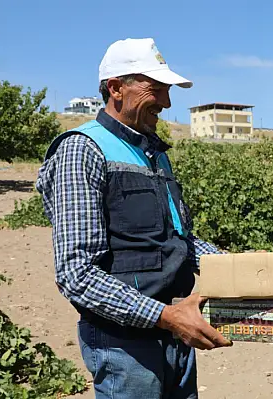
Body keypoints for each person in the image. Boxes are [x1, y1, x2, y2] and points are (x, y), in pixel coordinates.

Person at [35, 37, 232, 399]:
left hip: (176, 333)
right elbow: (76, 273)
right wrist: (165, 316)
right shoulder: (82, 150)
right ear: (116, 88)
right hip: (124, 345)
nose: (167, 102)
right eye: (155, 89)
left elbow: (178, 243)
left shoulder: (154, 154)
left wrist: (243, 269)